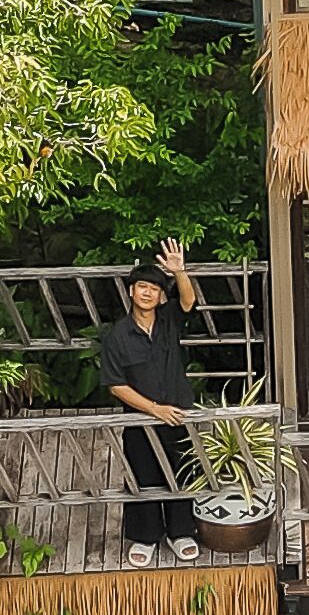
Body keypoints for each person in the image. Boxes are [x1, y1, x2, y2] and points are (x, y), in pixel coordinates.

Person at [95, 240, 204, 566]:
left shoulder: (170, 320)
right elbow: (116, 385)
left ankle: (181, 532)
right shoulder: (117, 335)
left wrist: (179, 272)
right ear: (131, 291)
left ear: (160, 296)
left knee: (183, 474)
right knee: (144, 476)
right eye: (141, 287)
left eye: (154, 289)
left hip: (179, 412)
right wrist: (153, 409)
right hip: (141, 418)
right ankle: (145, 537)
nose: (147, 293)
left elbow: (188, 301)